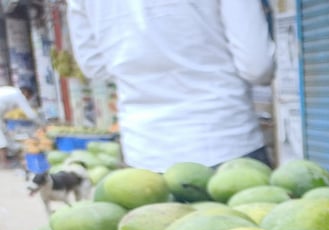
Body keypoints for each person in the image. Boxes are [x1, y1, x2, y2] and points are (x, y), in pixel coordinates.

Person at [66, 0, 275, 171]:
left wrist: (142, 76)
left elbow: (94, 66)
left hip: (144, 156)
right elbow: (256, 66)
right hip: (226, 144)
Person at [0, 84, 40, 168]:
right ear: (26, 92)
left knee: (5, 133)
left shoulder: (11, 91)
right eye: (28, 97)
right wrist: (40, 123)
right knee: (2, 140)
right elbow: (30, 113)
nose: (27, 99)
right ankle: (3, 162)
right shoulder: (18, 95)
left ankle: (12, 156)